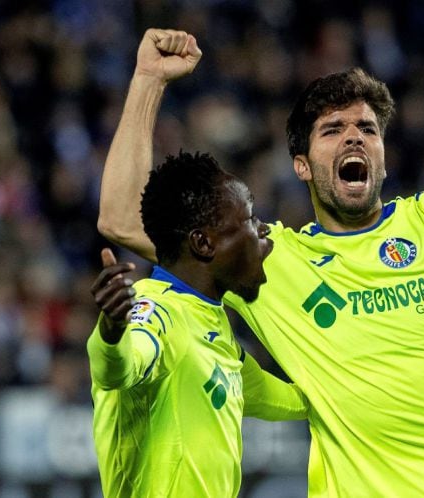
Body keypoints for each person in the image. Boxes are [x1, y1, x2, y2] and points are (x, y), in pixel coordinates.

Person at [99, 27, 424, 497]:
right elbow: (122, 217)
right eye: (332, 129)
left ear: (383, 155)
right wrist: (148, 80)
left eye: (368, 129)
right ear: (302, 166)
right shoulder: (269, 259)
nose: (354, 136)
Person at [87, 148, 309, 497]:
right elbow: (120, 367)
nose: (263, 228)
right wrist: (112, 331)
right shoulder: (155, 309)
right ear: (204, 243)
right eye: (250, 218)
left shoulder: (212, 320)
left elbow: (285, 398)